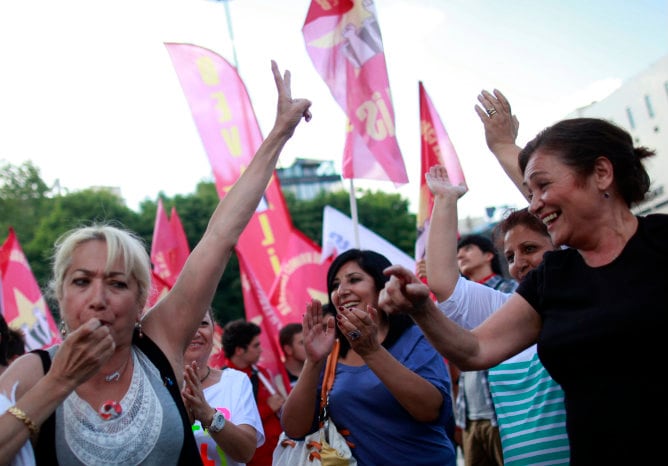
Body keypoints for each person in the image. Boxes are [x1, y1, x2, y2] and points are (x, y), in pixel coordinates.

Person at [0, 59, 312, 465]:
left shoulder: (160, 343)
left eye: (117, 283)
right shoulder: (32, 372)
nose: (98, 298)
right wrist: (58, 383)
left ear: (141, 296)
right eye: (81, 281)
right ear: (60, 293)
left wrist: (279, 134)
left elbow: (219, 238)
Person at [379, 117, 667, 465]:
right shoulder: (553, 279)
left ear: (602, 173)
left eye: (542, 186)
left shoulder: (660, 241)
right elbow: (475, 350)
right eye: (530, 192)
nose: (533, 204)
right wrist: (421, 309)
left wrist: (503, 147)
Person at [425, 163, 569, 464]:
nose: (519, 263)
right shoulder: (506, 309)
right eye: (511, 256)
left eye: (530, 248)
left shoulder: (581, 302)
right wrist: (445, 200)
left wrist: (502, 147)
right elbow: (442, 283)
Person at [281, 249, 457, 465]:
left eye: (354, 280)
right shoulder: (332, 353)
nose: (342, 291)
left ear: (382, 286)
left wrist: (371, 351)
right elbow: (293, 428)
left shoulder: (416, 338)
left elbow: (431, 411)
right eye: (335, 285)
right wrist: (313, 360)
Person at [449, 233, 513, 466]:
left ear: (488, 255)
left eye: (467, 248)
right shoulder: (458, 303)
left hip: (503, 413)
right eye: (457, 251)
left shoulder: (510, 291)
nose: (460, 254)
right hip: (471, 416)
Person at [182, 307, 264, 466]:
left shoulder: (235, 381)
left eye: (203, 323)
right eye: (187, 323)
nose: (196, 331)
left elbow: (246, 452)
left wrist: (208, 415)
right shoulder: (157, 384)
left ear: (213, 331)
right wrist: (182, 423)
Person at [222, 319, 284, 466]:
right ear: (239, 350)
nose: (261, 349)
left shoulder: (262, 373)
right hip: (254, 459)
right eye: (256, 345)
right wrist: (268, 408)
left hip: (278, 454)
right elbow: (231, 424)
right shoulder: (224, 381)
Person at [278, 323, 305, 388]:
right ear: (288, 349)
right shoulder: (278, 380)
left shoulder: (320, 370)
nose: (309, 345)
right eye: (302, 343)